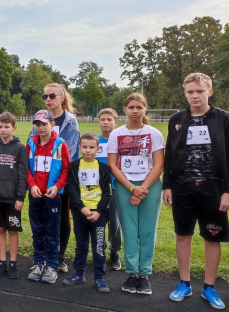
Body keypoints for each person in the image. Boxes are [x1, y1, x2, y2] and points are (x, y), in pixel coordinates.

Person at [163, 73, 229, 309]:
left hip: (213, 187)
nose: (195, 95)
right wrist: (167, 185)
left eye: (200, 91)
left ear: (209, 92)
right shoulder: (176, 119)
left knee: (211, 237)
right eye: (190, 91)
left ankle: (209, 287)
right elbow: (170, 154)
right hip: (182, 186)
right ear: (185, 93)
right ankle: (184, 284)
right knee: (183, 235)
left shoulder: (224, 119)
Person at [107, 93, 164, 295]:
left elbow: (159, 165)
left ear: (145, 109)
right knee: (130, 231)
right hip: (125, 185)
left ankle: (145, 275)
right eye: (131, 107)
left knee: (147, 232)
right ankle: (132, 273)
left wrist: (142, 189)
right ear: (125, 109)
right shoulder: (116, 134)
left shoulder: (154, 133)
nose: (135, 110)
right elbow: (113, 165)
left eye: (139, 107)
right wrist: (132, 188)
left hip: (150, 185)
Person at [29, 83, 80, 273]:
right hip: (39, 180)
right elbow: (31, 146)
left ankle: (58, 257)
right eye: (45, 96)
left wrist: (57, 183)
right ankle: (41, 257)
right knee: (41, 220)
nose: (48, 99)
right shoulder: (40, 119)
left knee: (62, 219)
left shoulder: (70, 122)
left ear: (62, 97)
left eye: (52, 96)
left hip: (61, 181)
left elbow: (71, 151)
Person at [26, 110, 70, 284]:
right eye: (37, 124)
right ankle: (38, 263)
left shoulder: (60, 145)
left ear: (52, 125)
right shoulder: (30, 144)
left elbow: (66, 169)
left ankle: (52, 265)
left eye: (44, 123)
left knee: (52, 232)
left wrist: (57, 186)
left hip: (52, 195)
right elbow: (27, 170)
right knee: (37, 231)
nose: (40, 127)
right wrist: (32, 184)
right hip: (35, 194)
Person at [65, 133, 112, 293]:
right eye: (84, 147)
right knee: (81, 245)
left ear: (98, 149)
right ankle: (79, 274)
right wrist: (82, 209)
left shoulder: (104, 169)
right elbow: (71, 190)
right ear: (79, 148)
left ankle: (99, 277)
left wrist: (99, 211)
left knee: (99, 246)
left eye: (91, 147)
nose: (88, 150)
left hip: (98, 215)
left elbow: (107, 193)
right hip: (80, 213)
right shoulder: (74, 166)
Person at [0, 112, 28, 279]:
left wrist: (20, 197)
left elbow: (23, 174)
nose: (3, 130)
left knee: (12, 231)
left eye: (6, 127)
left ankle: (13, 263)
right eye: (0, 126)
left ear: (14, 128)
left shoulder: (20, 148)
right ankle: (2, 262)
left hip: (12, 199)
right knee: (0, 229)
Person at [96, 108, 122, 271]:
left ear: (116, 122)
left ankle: (114, 252)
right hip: (97, 189)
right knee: (99, 222)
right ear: (98, 122)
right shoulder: (94, 141)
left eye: (109, 119)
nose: (106, 122)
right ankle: (100, 252)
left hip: (116, 187)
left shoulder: (120, 141)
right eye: (103, 119)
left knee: (115, 223)